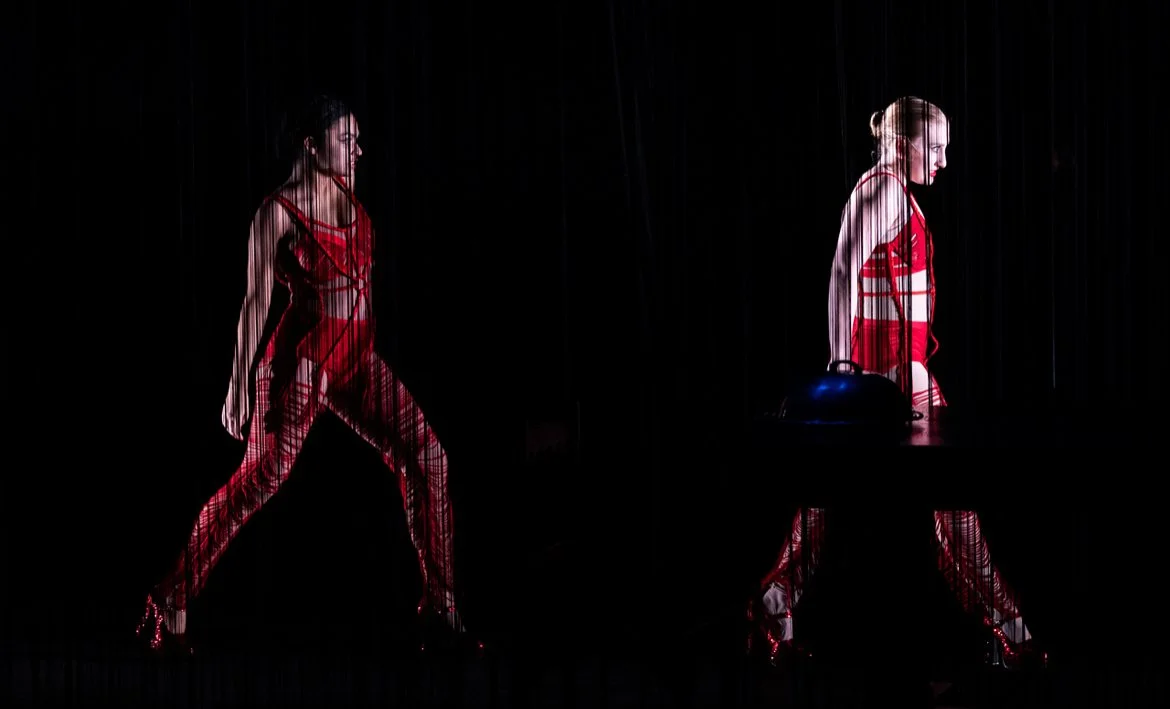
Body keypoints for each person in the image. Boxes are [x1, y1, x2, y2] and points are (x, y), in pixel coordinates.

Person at [137, 95, 465, 652]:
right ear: (312, 147)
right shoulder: (276, 214)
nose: (359, 149)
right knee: (262, 477)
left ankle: (441, 609)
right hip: (303, 364)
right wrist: (240, 382)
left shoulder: (347, 188)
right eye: (346, 139)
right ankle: (171, 601)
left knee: (429, 458)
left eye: (358, 139)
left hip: (357, 359)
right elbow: (254, 303)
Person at [750, 97, 1032, 667]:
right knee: (952, 511)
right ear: (903, 145)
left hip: (893, 383)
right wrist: (841, 367)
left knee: (831, 504)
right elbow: (841, 267)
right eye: (936, 147)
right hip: (890, 384)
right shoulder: (881, 191)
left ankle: (776, 602)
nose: (944, 161)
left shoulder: (892, 191)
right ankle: (1014, 635)